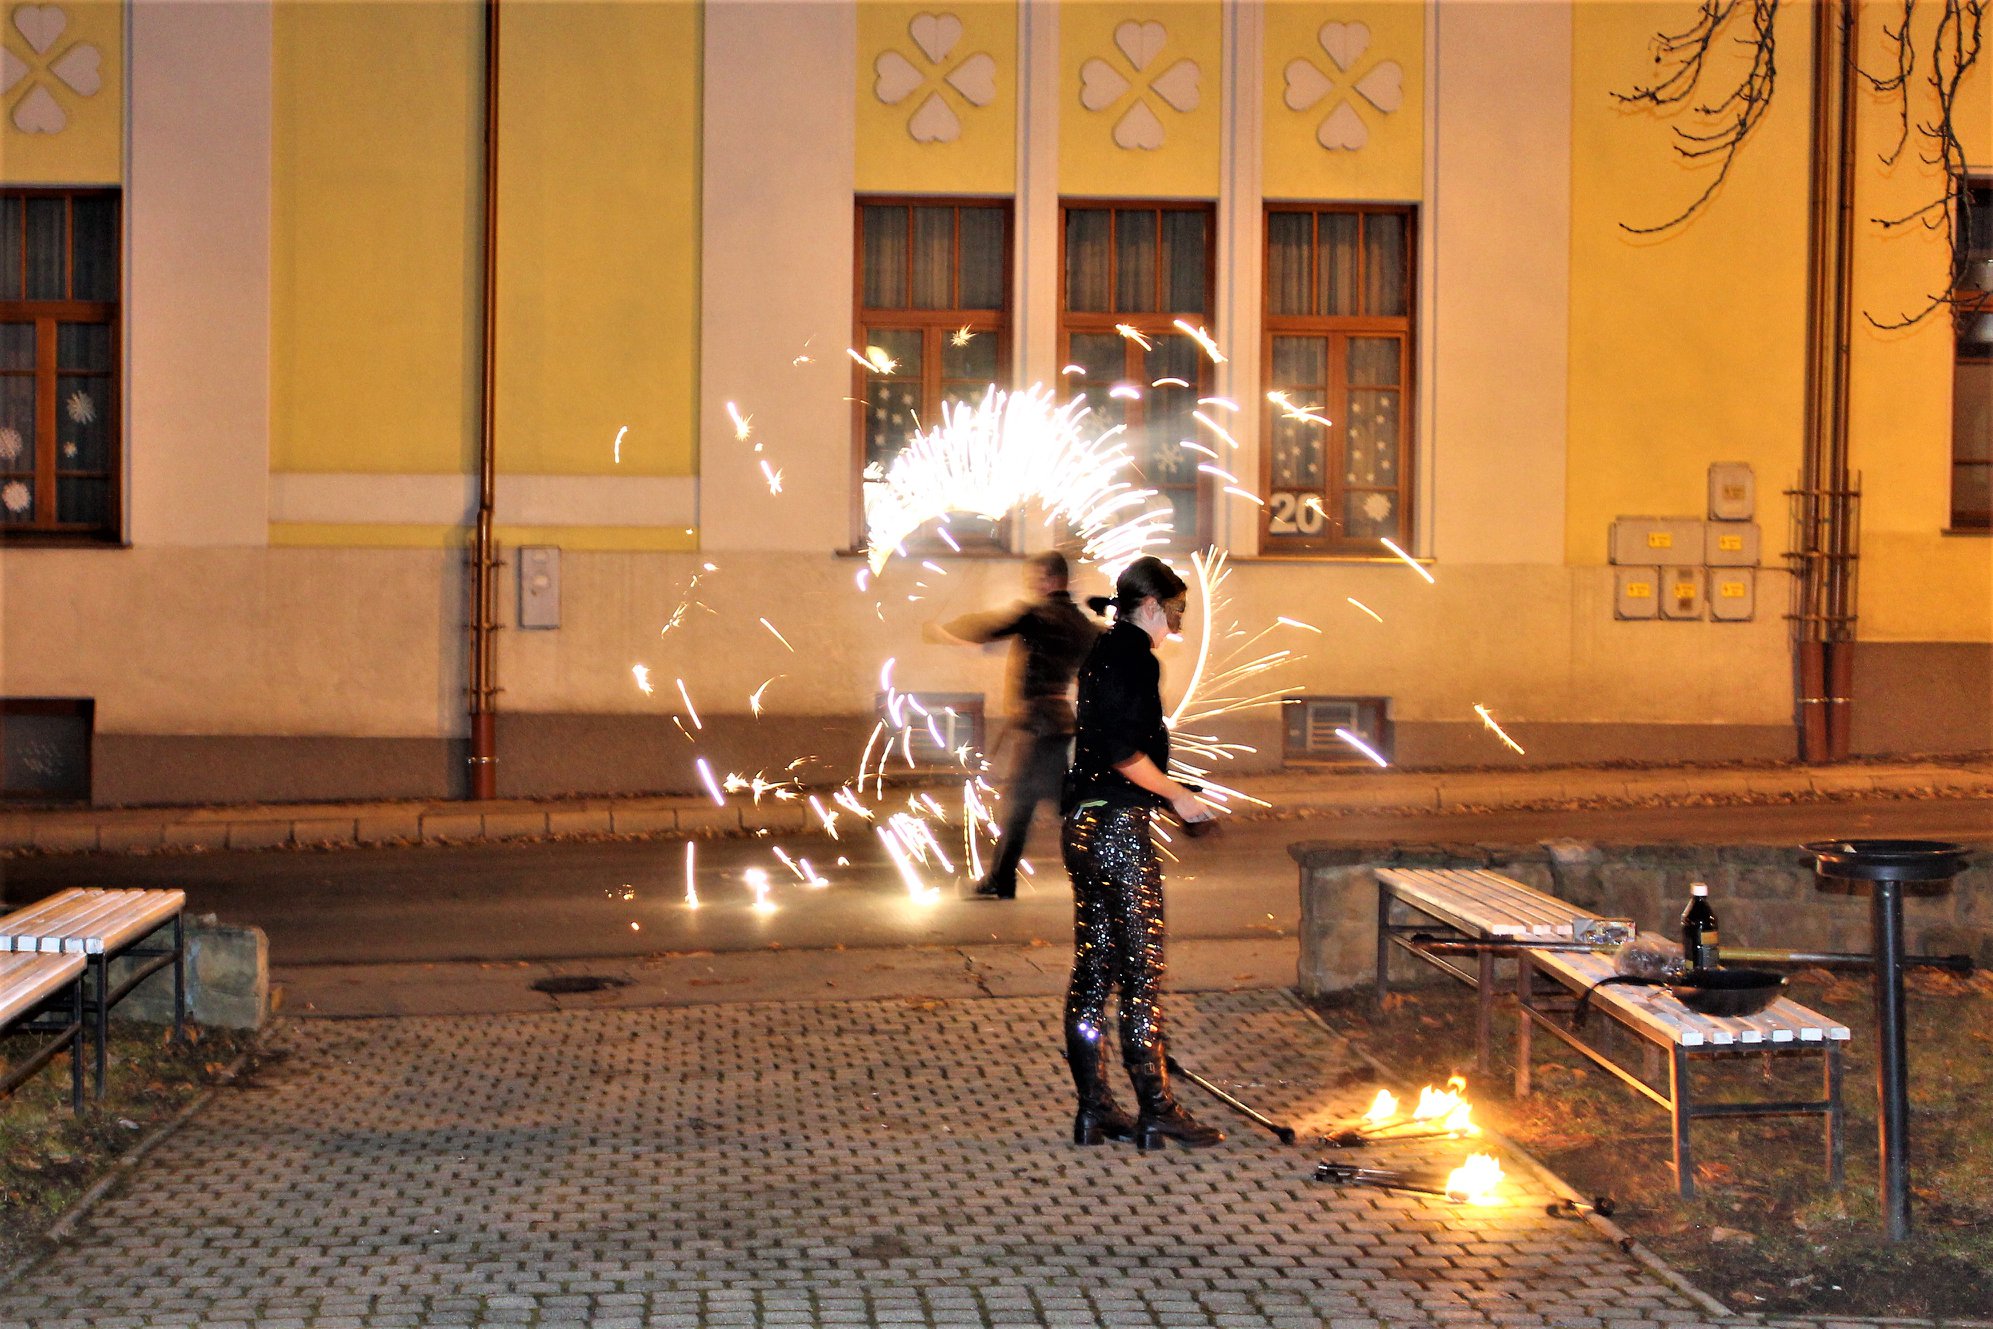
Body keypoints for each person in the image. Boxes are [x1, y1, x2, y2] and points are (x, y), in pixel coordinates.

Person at [1061, 555, 1222, 1150]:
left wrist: (1169, 791)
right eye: (1174, 611)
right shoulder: (1133, 657)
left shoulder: (1101, 652)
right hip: (1117, 833)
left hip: (1083, 827)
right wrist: (1177, 794)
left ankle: (1095, 1109)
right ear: (1150, 605)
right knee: (1141, 973)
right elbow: (1124, 752)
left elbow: (1106, 748)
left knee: (1094, 969)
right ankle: (1156, 1109)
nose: (1177, 625)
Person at [936, 551, 1100, 900]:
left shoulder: (1038, 615)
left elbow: (991, 627)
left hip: (1040, 726)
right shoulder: (1079, 624)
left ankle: (1004, 879)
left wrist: (943, 631)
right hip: (1056, 723)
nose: (1034, 584)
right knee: (1061, 802)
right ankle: (1101, 863)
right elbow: (1101, 650)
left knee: (1025, 804)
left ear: (1054, 579)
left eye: (1039, 578)